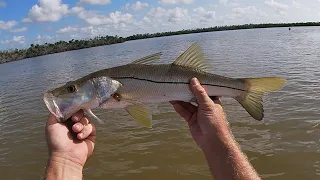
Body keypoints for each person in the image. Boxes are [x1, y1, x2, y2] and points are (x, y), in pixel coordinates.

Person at [43, 78, 261, 180]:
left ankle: (243, 90)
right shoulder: (113, 96)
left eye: (73, 89)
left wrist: (63, 164)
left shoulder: (113, 92)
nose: (71, 92)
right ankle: (241, 90)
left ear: (102, 84)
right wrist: (65, 159)